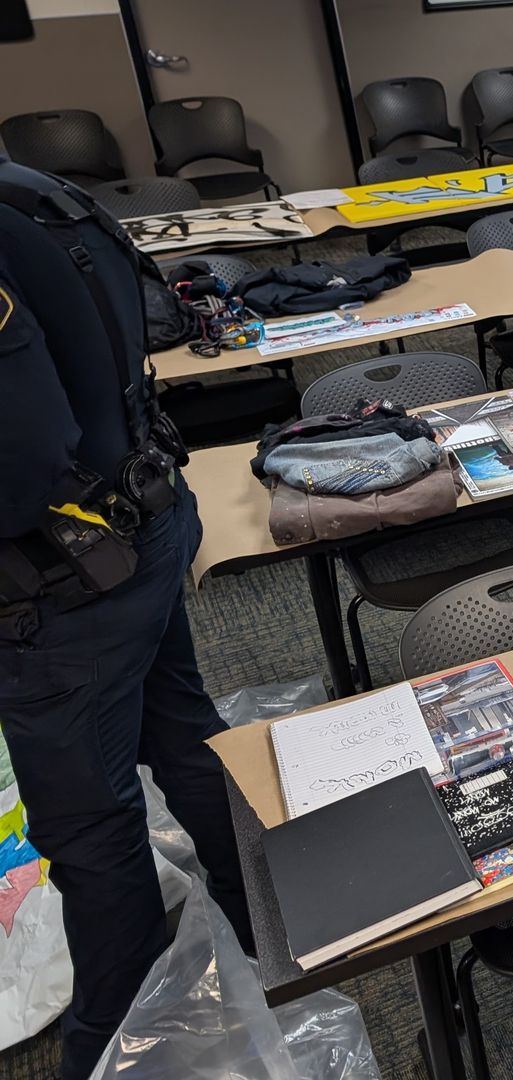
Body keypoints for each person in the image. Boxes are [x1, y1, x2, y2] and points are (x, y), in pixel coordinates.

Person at [0, 159, 252, 1078]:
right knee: (182, 732)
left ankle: (117, 1041)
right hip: (132, 517)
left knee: (87, 825)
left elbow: (20, 463)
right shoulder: (31, 188)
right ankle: (264, 919)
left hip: (60, 584)